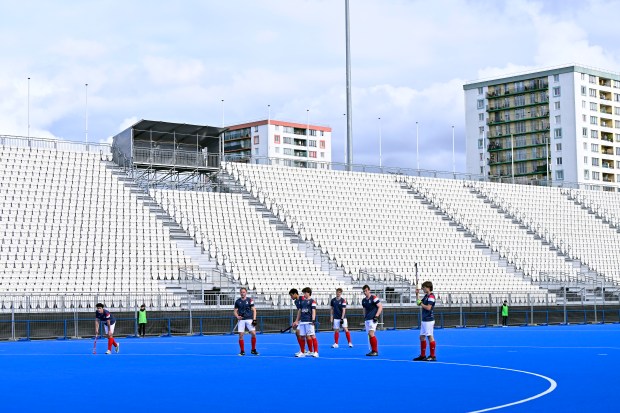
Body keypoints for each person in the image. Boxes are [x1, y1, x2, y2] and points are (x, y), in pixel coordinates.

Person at [413, 281, 437, 361]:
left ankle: (432, 356)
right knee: (422, 337)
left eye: (424, 287)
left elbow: (428, 307)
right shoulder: (426, 296)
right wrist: (417, 294)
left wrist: (421, 304)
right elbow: (418, 303)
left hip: (429, 319)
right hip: (424, 319)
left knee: (430, 336)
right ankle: (423, 355)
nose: (423, 289)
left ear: (428, 287)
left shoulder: (431, 296)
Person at [292, 287, 319, 358]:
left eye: (304, 293)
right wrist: (297, 320)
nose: (304, 294)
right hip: (302, 322)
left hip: (309, 321)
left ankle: (316, 352)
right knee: (302, 337)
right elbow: (299, 312)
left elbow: (313, 311)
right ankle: (302, 352)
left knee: (312, 336)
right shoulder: (302, 301)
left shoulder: (312, 301)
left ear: (308, 293)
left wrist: (313, 320)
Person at [234, 287, 259, 356]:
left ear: (246, 293)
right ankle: (242, 351)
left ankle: (253, 350)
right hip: (241, 320)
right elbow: (235, 311)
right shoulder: (237, 301)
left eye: (243, 292)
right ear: (240, 293)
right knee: (241, 335)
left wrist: (254, 320)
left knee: (253, 333)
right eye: (241, 292)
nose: (242, 293)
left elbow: (254, 310)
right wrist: (237, 316)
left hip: (249, 319)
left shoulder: (250, 300)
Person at [361, 285, 382, 356]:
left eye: (366, 291)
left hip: (373, 319)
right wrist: (364, 316)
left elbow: (380, 306)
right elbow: (364, 309)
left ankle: (375, 351)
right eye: (364, 291)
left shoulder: (374, 298)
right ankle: (373, 350)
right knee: (369, 335)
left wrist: (376, 316)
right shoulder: (363, 300)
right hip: (367, 319)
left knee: (371, 334)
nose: (365, 292)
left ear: (369, 290)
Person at [289, 288, 309, 356]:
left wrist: (297, 321)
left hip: (306, 318)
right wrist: (296, 321)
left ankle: (309, 350)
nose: (291, 297)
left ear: (295, 294)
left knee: (307, 335)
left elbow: (306, 309)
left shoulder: (302, 298)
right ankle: (302, 349)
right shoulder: (296, 302)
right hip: (301, 319)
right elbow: (299, 311)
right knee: (298, 333)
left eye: (291, 295)